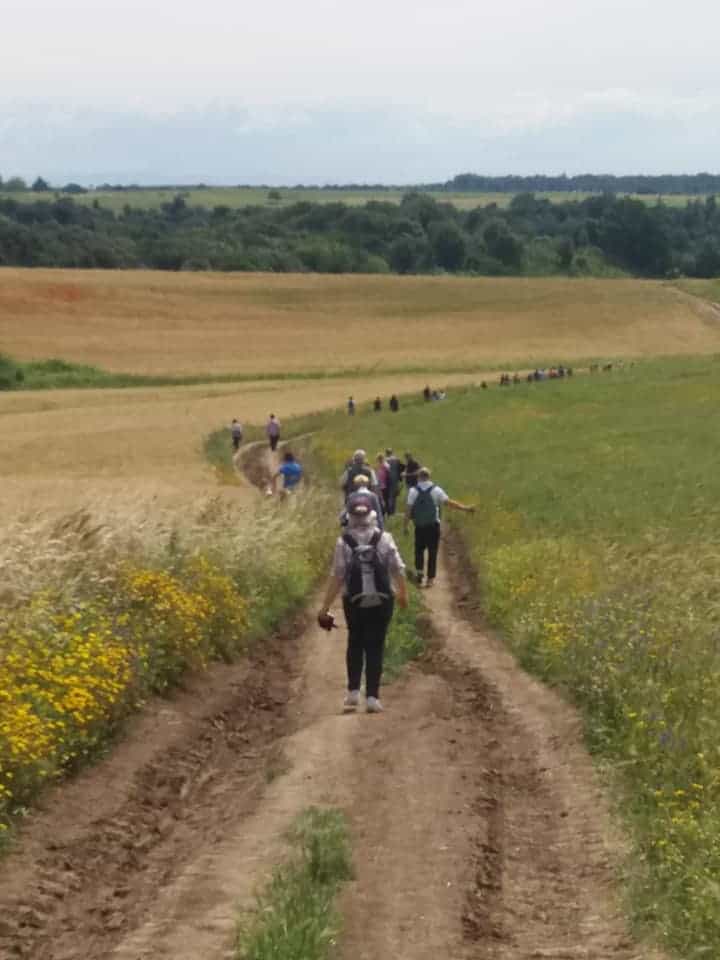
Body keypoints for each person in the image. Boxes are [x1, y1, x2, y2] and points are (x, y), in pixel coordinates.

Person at [318, 499, 407, 713]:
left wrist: (325, 607)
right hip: (383, 600)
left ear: (349, 516)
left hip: (353, 600)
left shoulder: (343, 541)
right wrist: (403, 593)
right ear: (372, 515)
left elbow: (338, 576)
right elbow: (397, 568)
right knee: (376, 645)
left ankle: (353, 692)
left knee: (355, 642)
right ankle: (373, 697)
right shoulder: (384, 538)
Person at [404, 467, 474, 588]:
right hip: (433, 526)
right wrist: (465, 508)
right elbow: (449, 502)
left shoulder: (413, 491)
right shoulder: (436, 490)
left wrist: (405, 525)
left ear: (418, 477)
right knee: (432, 551)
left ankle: (420, 573)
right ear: (429, 476)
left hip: (419, 526)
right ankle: (430, 579)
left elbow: (408, 510)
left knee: (419, 550)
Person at [384, 448, 404, 516]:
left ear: (386, 453)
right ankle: (393, 511)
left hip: (387, 480)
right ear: (392, 452)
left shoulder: (385, 460)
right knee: (394, 495)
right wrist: (400, 477)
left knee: (388, 495)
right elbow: (402, 467)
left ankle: (389, 511)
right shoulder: (397, 459)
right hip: (395, 479)